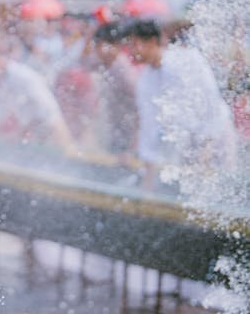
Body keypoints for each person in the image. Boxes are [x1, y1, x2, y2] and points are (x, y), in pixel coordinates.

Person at [127, 19, 237, 189]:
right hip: (189, 144)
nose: (131, 51)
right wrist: (148, 180)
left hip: (216, 136)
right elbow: (149, 126)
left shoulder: (184, 61)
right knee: (190, 192)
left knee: (222, 190)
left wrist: (205, 150)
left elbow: (209, 106)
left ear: (152, 42)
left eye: (135, 44)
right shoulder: (146, 80)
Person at [0, 46, 76, 152]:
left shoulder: (22, 75)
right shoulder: (5, 81)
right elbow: (1, 111)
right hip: (37, 132)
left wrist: (60, 135)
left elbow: (47, 108)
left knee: (65, 156)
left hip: (50, 127)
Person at [90, 22, 138, 156]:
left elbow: (141, 108)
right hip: (112, 132)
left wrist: (133, 148)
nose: (100, 50)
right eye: (97, 45)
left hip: (128, 136)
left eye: (104, 45)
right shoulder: (102, 65)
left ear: (117, 46)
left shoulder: (124, 71)